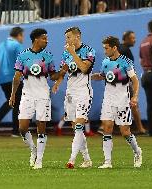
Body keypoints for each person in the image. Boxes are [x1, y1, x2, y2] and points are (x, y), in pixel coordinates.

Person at [9, 28, 68, 169]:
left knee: (41, 127)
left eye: (47, 38)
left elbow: (52, 76)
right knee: (22, 128)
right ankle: (33, 150)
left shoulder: (47, 56)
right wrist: (12, 95)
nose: (46, 41)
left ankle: (39, 160)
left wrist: (62, 71)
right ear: (36, 39)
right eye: (44, 38)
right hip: (27, 94)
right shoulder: (23, 56)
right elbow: (17, 77)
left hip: (43, 95)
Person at [92, 36, 142, 169]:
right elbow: (103, 76)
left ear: (114, 48)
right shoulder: (105, 62)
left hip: (122, 100)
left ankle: (137, 152)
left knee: (125, 132)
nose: (104, 51)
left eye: (106, 48)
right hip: (108, 100)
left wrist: (135, 97)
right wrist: (91, 76)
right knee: (107, 129)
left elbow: (135, 81)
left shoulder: (126, 61)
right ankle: (107, 161)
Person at [52, 27, 95, 169]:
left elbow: (84, 68)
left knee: (78, 126)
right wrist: (58, 83)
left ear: (77, 37)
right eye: (66, 38)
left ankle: (71, 160)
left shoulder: (89, 51)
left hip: (84, 92)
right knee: (75, 127)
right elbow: (64, 70)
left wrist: (73, 53)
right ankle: (87, 160)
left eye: (69, 37)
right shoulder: (66, 53)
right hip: (70, 93)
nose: (67, 40)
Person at [0, 27, 24, 137]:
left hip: (2, 79)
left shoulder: (1, 45)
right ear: (18, 35)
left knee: (12, 101)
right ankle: (15, 131)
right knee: (17, 103)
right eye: (22, 35)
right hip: (14, 78)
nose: (22, 38)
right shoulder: (17, 45)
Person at [119, 31, 147, 135]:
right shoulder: (125, 50)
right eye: (132, 38)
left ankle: (103, 127)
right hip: (125, 82)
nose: (134, 40)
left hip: (118, 82)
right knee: (134, 104)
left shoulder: (119, 48)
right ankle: (140, 129)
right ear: (126, 38)